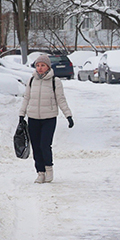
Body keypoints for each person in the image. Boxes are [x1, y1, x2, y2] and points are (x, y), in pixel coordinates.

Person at [19, 53, 74, 183]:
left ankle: (49, 170)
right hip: (33, 118)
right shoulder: (32, 80)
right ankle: (40, 173)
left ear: (48, 67)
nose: (40, 68)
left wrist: (68, 115)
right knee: (36, 146)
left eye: (43, 65)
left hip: (49, 118)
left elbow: (61, 99)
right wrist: (21, 114)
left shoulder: (55, 81)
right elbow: (26, 98)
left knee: (45, 145)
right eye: (38, 65)